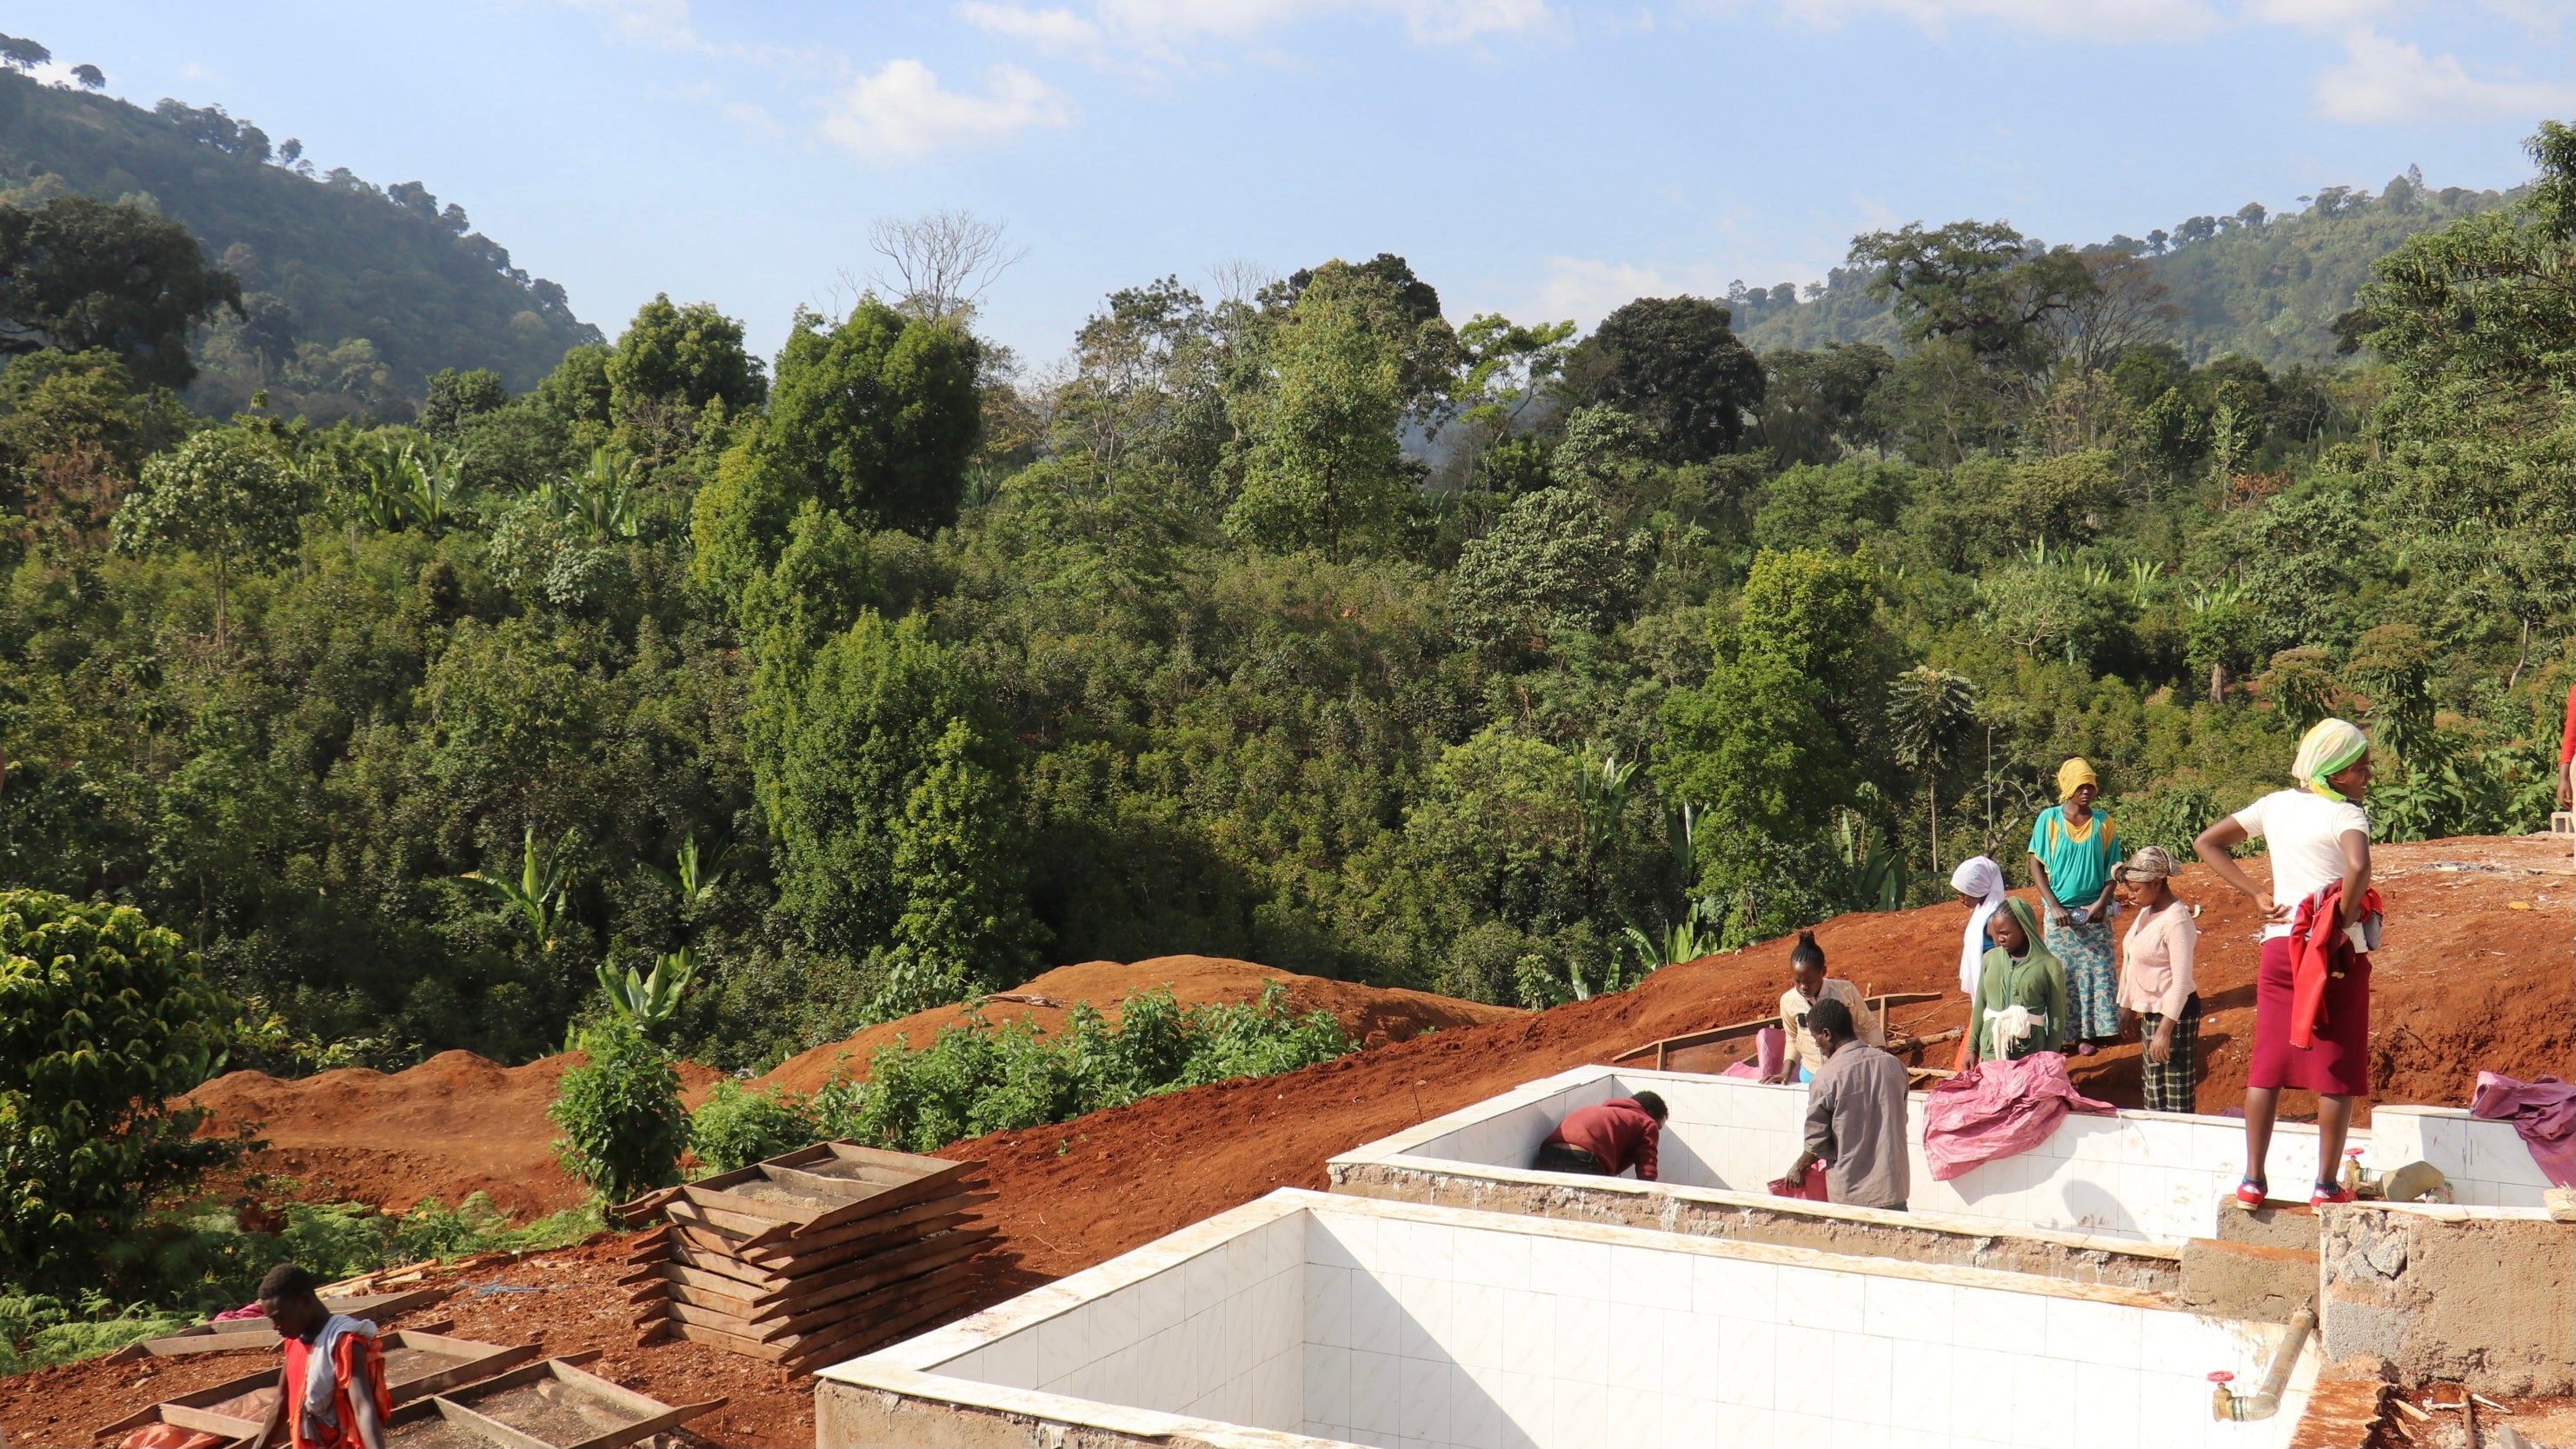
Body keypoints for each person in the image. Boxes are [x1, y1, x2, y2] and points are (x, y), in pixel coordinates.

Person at [2194, 716, 2376, 1210]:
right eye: (2360, 768)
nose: (2367, 776)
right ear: (2336, 773)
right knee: (2336, 1067)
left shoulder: (2274, 806)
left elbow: (2207, 842)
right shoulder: (2347, 816)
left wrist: (2257, 893)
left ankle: (2252, 1181)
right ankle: (2325, 1186)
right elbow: (2358, 868)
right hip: (2335, 953)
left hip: (2279, 947)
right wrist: (2338, 922)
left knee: (2267, 1067)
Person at [1778, 998, 1911, 1211]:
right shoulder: (1894, 1065)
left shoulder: (1825, 1078)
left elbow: (1817, 1141)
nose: (1818, 1046)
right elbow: (1900, 1119)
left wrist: (1800, 1166)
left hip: (1851, 1194)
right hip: (1893, 1188)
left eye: (1816, 1038)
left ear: (1827, 1034)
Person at [2028, 758, 2123, 1054]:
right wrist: (2053, 905)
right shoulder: (2050, 819)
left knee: (2097, 970)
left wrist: (2101, 902)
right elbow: (2035, 864)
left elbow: (2114, 868)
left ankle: (2094, 1034)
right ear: (2068, 787)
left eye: (2090, 786)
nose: (2086, 792)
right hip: (2061, 916)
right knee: (2063, 974)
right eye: (2080, 786)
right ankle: (2065, 1037)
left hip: (2095, 914)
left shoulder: (2103, 822)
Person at [262, 1262, 389, 1449]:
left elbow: (363, 1407)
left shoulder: (345, 1343)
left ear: (305, 1301)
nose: (275, 1327)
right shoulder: (294, 1341)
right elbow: (282, 1400)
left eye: (279, 1317)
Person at [2113, 846, 2200, 1114]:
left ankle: (2180, 1146)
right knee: (2153, 1085)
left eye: (2136, 889)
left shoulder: (2177, 921)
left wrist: (2165, 1031)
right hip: (2153, 1011)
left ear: (2157, 882)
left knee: (2175, 1088)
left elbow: (2182, 981)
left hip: (2175, 1015)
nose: (2131, 895)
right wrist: (2127, 1009)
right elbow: (2131, 961)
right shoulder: (2146, 912)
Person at [1768, 928, 1887, 1084]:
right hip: (1811, 1075)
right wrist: (1786, 1071)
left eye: (1809, 981)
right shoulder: (1788, 1001)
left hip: (1849, 1073)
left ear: (1823, 971)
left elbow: (1870, 1026)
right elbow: (1792, 1038)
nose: (1803, 986)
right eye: (1797, 981)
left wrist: (1879, 1060)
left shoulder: (1845, 991)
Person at [1967, 896, 2069, 1062]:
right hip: (1992, 1051)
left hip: (2030, 1053)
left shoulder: (2048, 965)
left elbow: (2057, 1017)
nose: (2000, 939)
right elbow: (1980, 1006)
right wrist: (1972, 1049)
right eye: (1997, 933)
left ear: (2024, 928)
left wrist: (2050, 1057)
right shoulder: (1990, 959)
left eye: (2005, 933)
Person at [1948, 855, 2008, 1070]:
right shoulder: (1981, 914)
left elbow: (2004, 958)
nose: (1961, 899)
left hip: (1994, 992)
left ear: (1979, 889)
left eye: (1964, 893)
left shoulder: (1995, 918)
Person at [1533, 1092, 1667, 1180]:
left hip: (1547, 1155)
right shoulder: (1646, 1122)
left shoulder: (1601, 1111)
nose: (1657, 1131)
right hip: (1581, 1161)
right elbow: (1647, 1171)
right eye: (1659, 1127)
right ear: (1649, 1113)